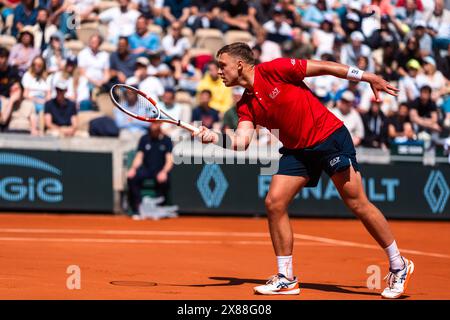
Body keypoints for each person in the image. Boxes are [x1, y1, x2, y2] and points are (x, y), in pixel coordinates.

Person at [194, 42, 414, 299]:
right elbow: (241, 142)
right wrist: (214, 137)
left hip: (330, 137)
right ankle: (286, 278)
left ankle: (399, 265)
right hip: (298, 150)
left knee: (357, 203)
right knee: (274, 202)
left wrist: (367, 77)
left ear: (239, 64)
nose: (218, 71)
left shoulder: (274, 70)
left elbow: (325, 67)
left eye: (222, 65)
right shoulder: (245, 105)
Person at [127, 122, 173, 214]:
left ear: (160, 124)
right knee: (132, 178)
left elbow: (170, 160)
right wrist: (133, 169)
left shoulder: (167, 140)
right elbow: (139, 157)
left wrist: (164, 172)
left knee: (164, 180)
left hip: (159, 170)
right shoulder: (144, 138)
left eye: (155, 123)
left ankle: (159, 207)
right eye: (151, 123)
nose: (153, 125)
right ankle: (138, 207)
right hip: (146, 169)